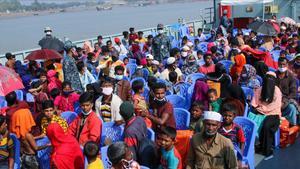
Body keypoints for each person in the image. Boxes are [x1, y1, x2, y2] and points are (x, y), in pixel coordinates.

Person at [5, 91, 49, 169]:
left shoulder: (21, 135)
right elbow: (36, 148)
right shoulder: (28, 134)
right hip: (31, 158)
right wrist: (47, 145)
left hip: (24, 155)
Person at [251, 72, 282, 160]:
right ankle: (259, 146)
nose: (269, 81)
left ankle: (268, 151)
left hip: (273, 114)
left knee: (266, 125)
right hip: (261, 112)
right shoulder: (260, 89)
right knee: (252, 122)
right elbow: (255, 103)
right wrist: (256, 109)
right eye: (267, 78)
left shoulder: (277, 91)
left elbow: (275, 106)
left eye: (271, 79)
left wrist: (261, 109)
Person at [276, 57, 299, 125]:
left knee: (292, 108)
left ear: (287, 65)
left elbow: (293, 93)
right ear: (277, 64)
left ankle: (291, 127)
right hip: (275, 100)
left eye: (284, 64)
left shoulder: (291, 77)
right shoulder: (274, 75)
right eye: (280, 64)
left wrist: (284, 101)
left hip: (286, 101)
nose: (282, 66)